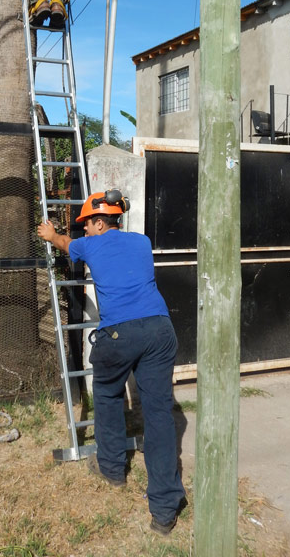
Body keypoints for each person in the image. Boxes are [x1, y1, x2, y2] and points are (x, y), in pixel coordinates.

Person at [37, 190, 186, 535]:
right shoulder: (142, 242)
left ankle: (112, 467)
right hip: (160, 329)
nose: (85, 231)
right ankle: (165, 511)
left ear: (100, 223)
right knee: (159, 414)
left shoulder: (90, 245)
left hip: (121, 333)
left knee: (106, 392)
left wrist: (50, 234)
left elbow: (64, 243)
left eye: (87, 225)